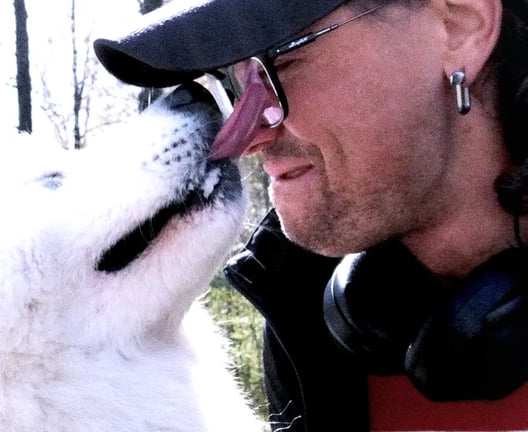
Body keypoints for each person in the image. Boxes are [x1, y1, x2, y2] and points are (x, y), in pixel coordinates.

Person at [93, 0, 528, 431]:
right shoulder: (303, 303)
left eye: (281, 61)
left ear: (460, 27)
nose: (244, 137)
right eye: (235, 83)